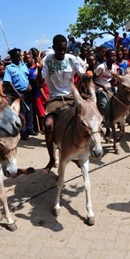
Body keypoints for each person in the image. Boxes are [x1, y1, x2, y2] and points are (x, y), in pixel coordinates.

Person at [38, 34, 87, 172]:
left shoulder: (72, 59)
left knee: (85, 119)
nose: (62, 51)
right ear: (54, 48)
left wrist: (85, 78)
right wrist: (38, 69)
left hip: (71, 97)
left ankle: (82, 151)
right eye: (59, 49)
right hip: (54, 99)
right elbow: (39, 82)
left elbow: (81, 75)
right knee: (48, 125)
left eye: (64, 49)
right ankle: (51, 158)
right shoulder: (47, 60)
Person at [3, 47, 36, 140]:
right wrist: (16, 92)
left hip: (28, 92)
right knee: (22, 113)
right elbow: (9, 82)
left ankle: (31, 129)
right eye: (16, 56)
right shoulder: (9, 68)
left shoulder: (24, 65)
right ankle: (23, 132)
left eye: (19, 56)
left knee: (30, 111)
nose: (18, 57)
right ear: (12, 57)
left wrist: (29, 84)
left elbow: (27, 76)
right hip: (18, 93)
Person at [94, 48, 118, 133]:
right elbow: (93, 80)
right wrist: (102, 86)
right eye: (111, 56)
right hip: (100, 89)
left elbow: (112, 80)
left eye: (115, 56)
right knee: (105, 106)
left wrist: (115, 81)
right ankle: (107, 125)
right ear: (106, 57)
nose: (114, 58)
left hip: (111, 88)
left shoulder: (115, 68)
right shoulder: (101, 67)